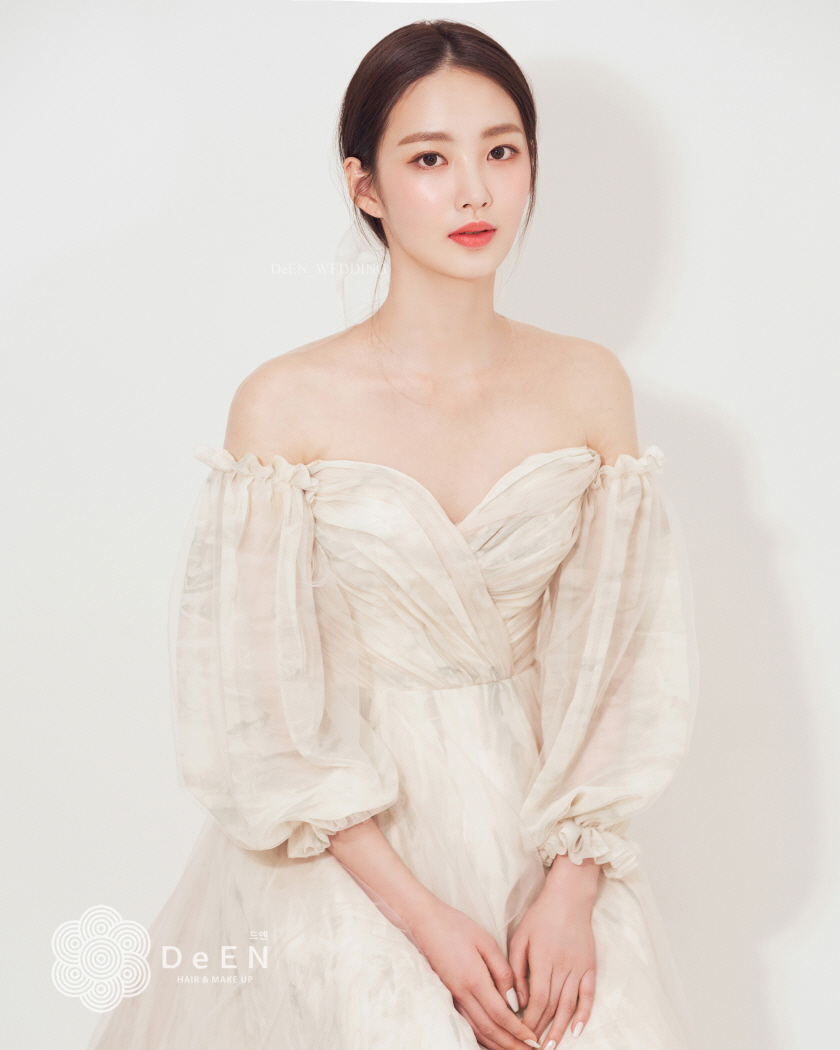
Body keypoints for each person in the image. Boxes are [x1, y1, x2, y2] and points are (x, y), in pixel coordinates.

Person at [87, 19, 698, 1050]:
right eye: (429, 159)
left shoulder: (587, 384)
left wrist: (570, 887)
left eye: (501, 151)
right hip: (345, 845)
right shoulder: (284, 403)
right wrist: (425, 923)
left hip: (541, 837)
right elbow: (261, 709)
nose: (475, 193)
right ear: (363, 185)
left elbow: (624, 664)